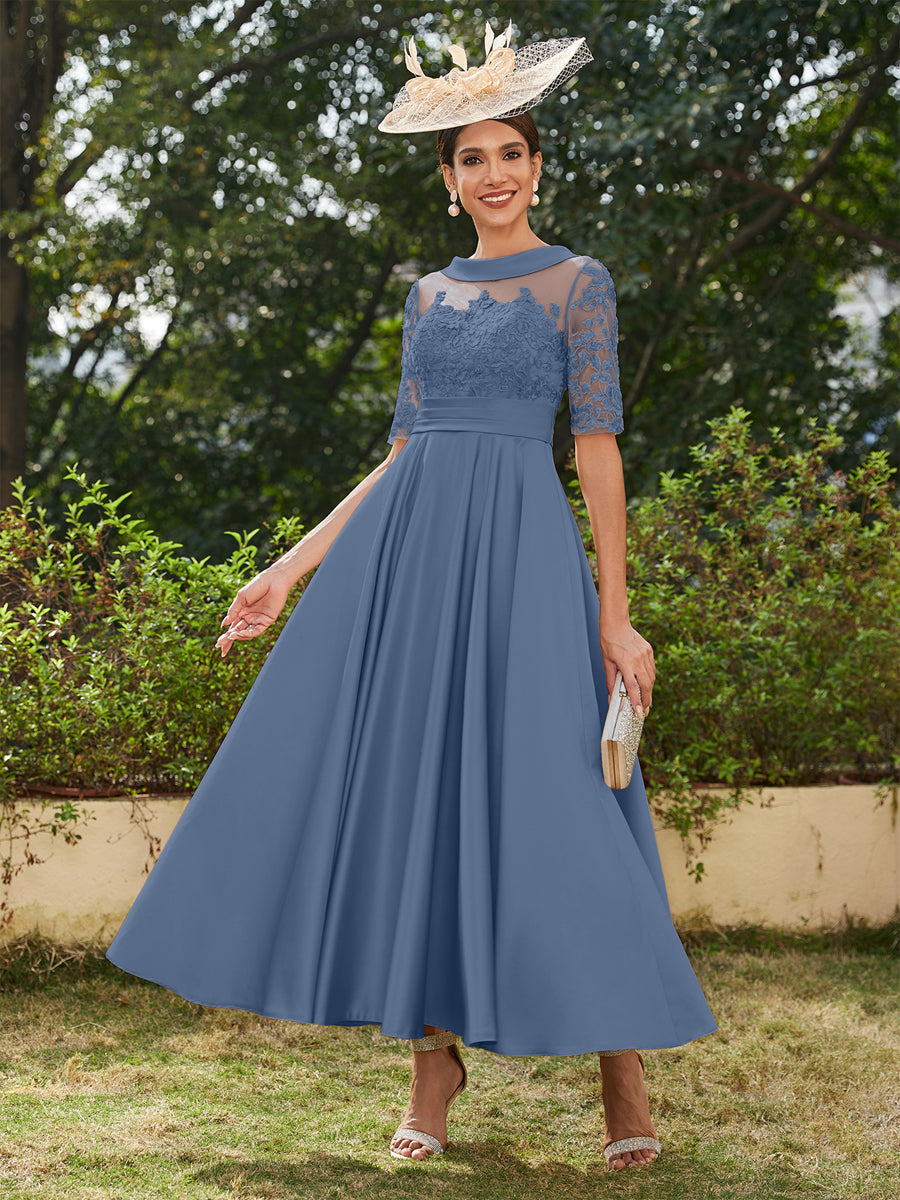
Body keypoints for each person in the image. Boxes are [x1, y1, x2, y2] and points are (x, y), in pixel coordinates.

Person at [106, 20, 716, 1172]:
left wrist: (615, 613)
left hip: (526, 567)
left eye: (511, 153)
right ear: (448, 180)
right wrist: (288, 569)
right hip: (416, 570)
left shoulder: (579, 285)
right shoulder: (429, 299)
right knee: (420, 808)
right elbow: (400, 457)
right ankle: (433, 1074)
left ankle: (622, 1072)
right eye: (472, 158)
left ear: (537, 166)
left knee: (567, 807)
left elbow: (597, 451)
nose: (494, 173)